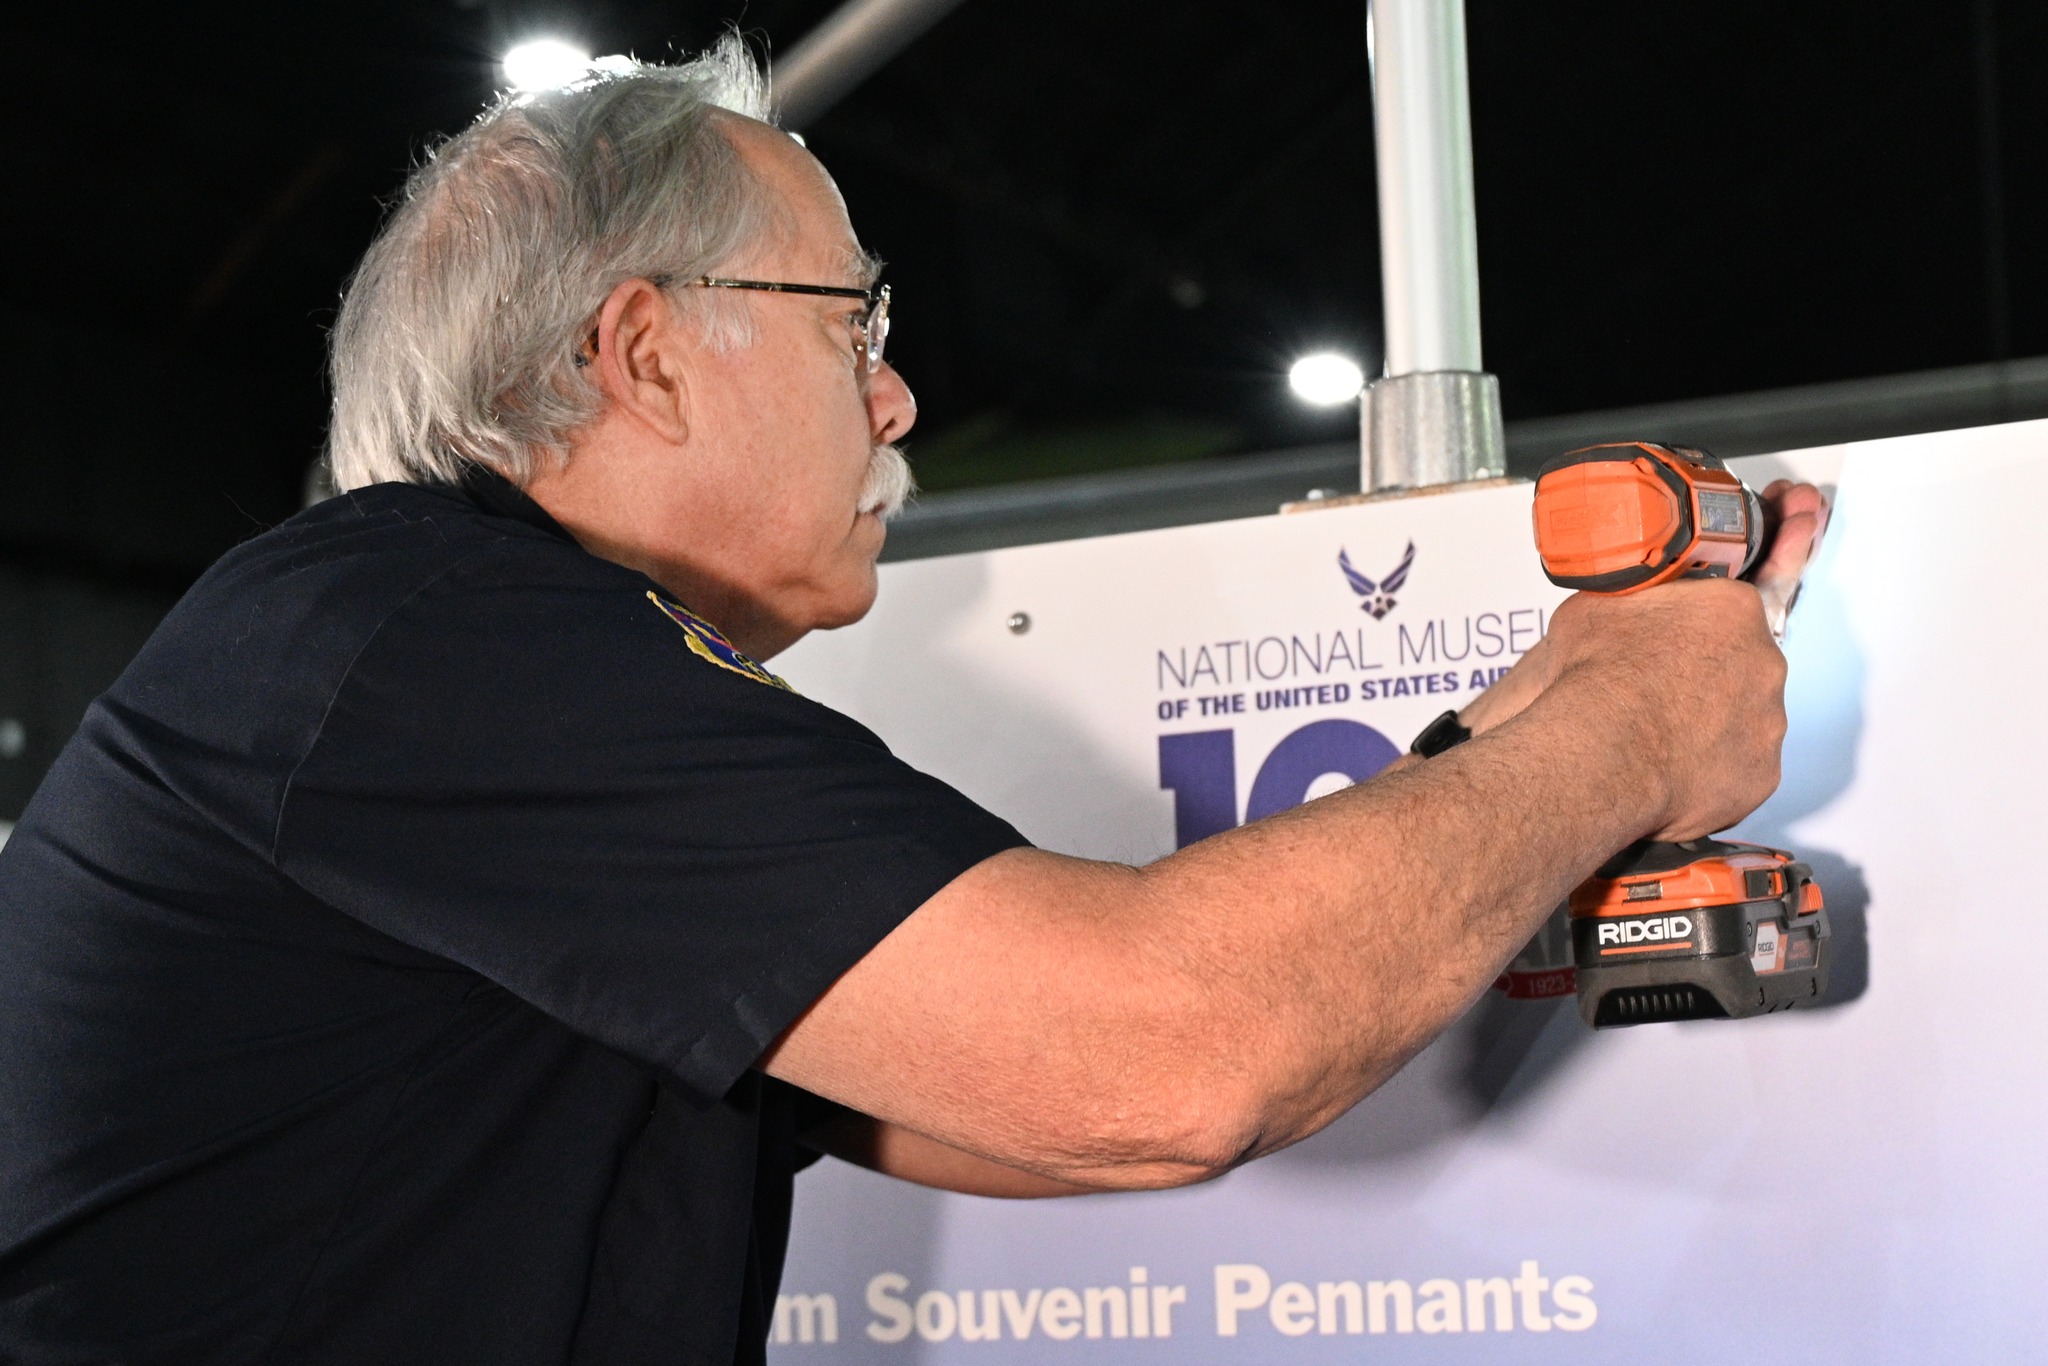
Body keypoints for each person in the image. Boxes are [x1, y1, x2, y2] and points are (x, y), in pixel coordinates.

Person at [0, 39, 1825, 1365]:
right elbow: (1160, 1061)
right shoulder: (419, 632)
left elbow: (1028, 1102)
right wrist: (1630, 731)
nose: (898, 402)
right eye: (850, 325)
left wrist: (1515, 734)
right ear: (641, 352)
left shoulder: (473, 693)